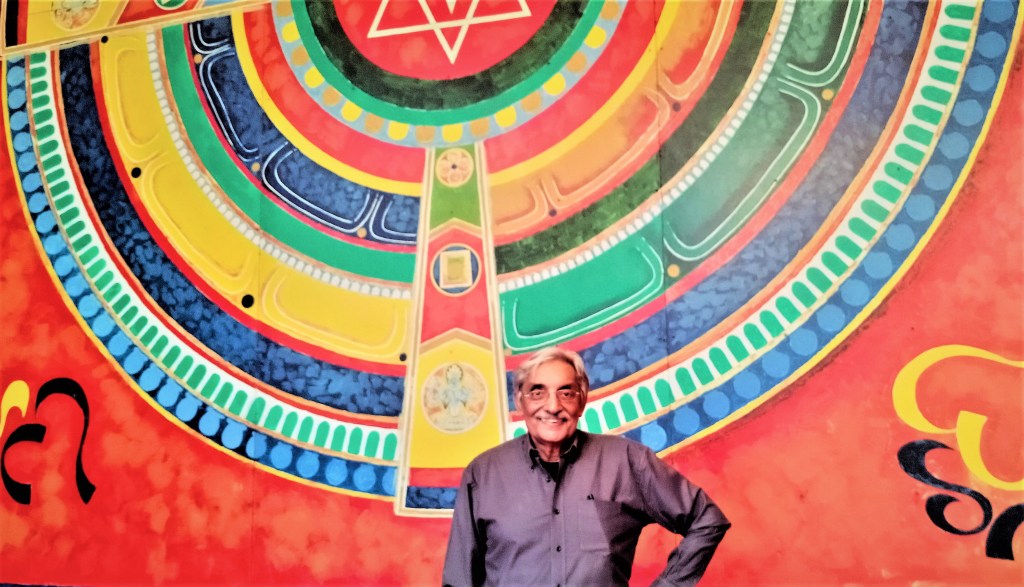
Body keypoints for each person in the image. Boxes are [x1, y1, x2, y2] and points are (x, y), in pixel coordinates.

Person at [442, 347, 730, 586]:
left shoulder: (628, 462)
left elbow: (706, 520)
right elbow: (459, 579)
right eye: (538, 392)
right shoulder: (483, 474)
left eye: (566, 393)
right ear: (520, 401)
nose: (552, 406)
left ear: (582, 401)